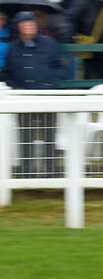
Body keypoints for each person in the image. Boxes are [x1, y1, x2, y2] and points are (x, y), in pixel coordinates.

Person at [2, 11, 64, 177]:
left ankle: (51, 173)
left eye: (31, 23)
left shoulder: (49, 43)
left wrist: (51, 85)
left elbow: (59, 67)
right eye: (24, 24)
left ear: (36, 25)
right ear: (19, 27)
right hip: (24, 100)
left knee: (49, 136)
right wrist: (16, 87)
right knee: (26, 137)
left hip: (47, 98)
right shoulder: (13, 48)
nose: (29, 26)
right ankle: (26, 174)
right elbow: (7, 73)